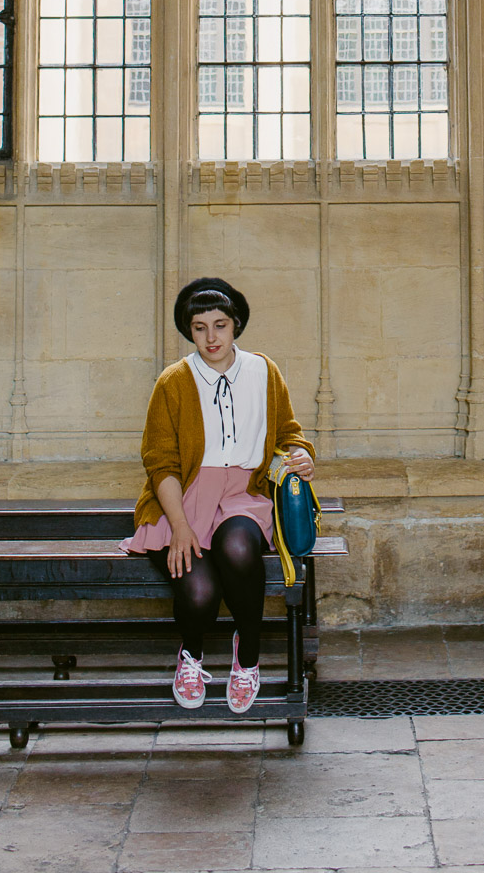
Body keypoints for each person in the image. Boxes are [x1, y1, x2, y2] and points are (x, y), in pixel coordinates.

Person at [122, 276, 315, 713]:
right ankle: (191, 656)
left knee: (239, 547)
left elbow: (289, 434)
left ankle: (246, 658)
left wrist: (302, 456)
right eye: (200, 328)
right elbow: (161, 464)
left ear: (236, 325)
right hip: (183, 498)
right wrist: (180, 527)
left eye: (220, 325)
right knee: (200, 592)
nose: (211, 337)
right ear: (189, 332)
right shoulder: (173, 382)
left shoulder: (264, 372)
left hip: (244, 493)